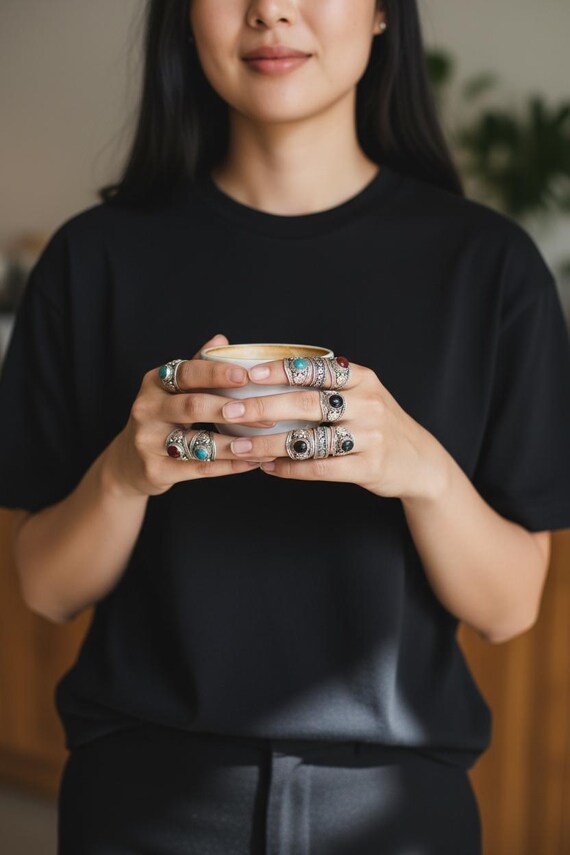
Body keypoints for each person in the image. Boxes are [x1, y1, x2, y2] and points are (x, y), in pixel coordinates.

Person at [1, 0, 569, 852]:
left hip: (399, 814)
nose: (271, 9)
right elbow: (46, 587)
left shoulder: (489, 270)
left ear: (382, 14)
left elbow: (510, 607)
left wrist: (423, 470)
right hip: (139, 806)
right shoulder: (91, 261)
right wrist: (127, 470)